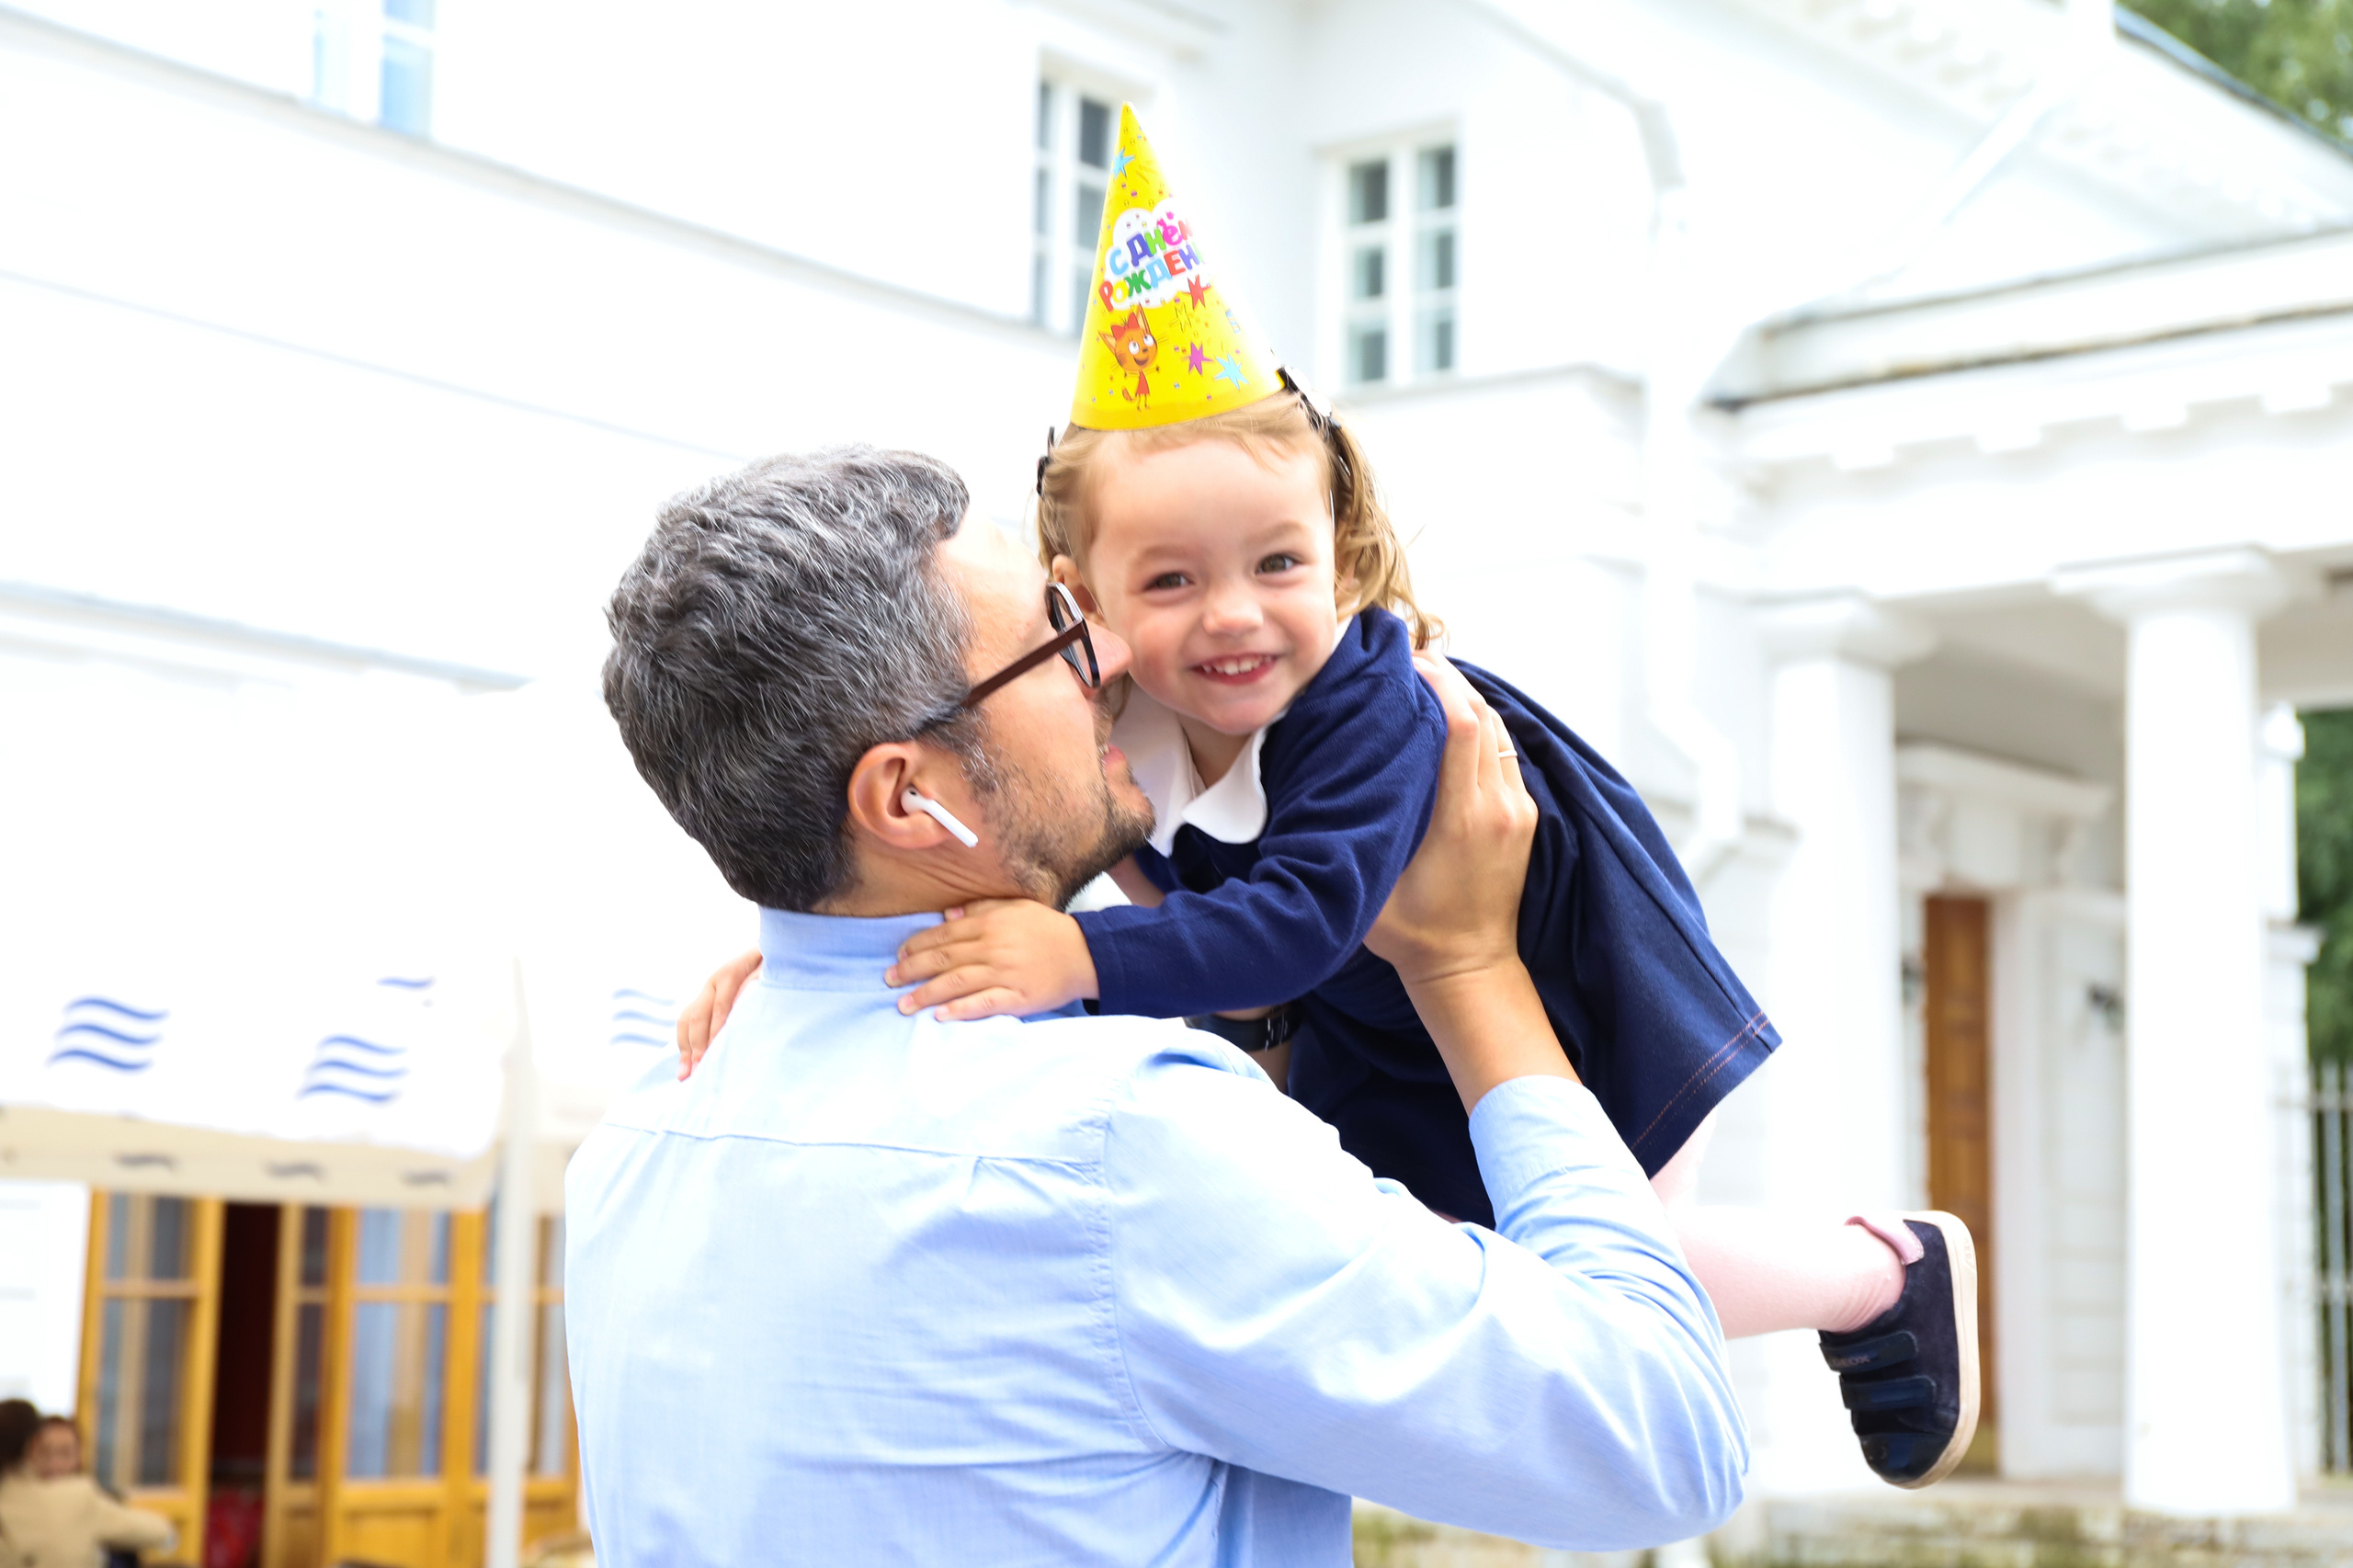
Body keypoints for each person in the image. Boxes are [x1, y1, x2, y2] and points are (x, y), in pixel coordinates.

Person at [677, 106, 1978, 1489]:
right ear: (1086, 586)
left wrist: (1069, 954)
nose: (1233, 618)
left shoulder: (1362, 702)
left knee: (1594, 1271)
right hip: (1371, 1013)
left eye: (1279, 564)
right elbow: (993, 839)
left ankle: (1875, 1273)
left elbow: (1297, 917)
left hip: (1568, 995)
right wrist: (816, 939)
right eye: (1172, 580)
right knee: (1408, 1245)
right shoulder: (1103, 696)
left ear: (1339, 549)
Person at [572, 445, 1746, 1564]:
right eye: (1056, 641)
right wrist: (1467, 967)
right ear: (908, 796)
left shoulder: (632, 1147)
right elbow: (1659, 1438)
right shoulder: (1117, 1143)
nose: (1119, 657)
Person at [0, 1409, 172, 1568]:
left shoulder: (97, 1497)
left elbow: (156, 1531)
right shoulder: (70, 1498)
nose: (54, 1464)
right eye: (45, 1453)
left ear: (80, 1456)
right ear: (31, 1451)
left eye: (65, 1453)